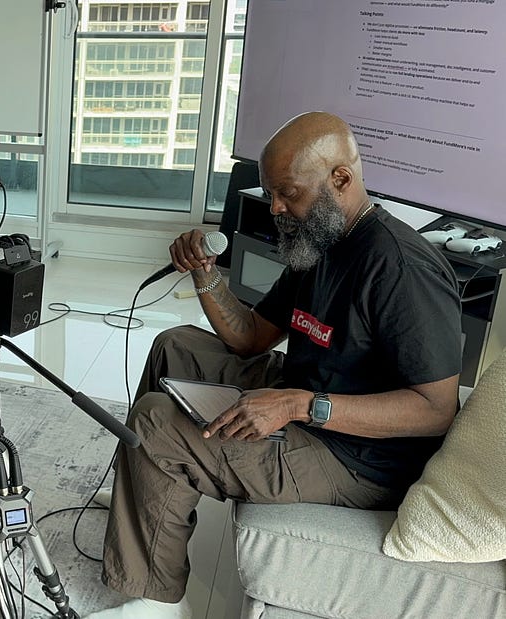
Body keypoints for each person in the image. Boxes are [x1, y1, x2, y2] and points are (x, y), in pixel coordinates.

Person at [88, 111, 461, 619]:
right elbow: (251, 338)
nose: (277, 208)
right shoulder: (324, 242)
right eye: (271, 194)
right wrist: (205, 273)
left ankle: (155, 600)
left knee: (158, 423)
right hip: (303, 390)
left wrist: (301, 405)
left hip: (358, 460)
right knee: (175, 344)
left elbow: (435, 411)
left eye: (288, 193)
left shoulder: (401, 269)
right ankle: (141, 495)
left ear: (341, 179)